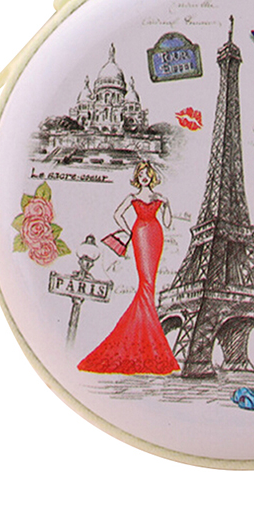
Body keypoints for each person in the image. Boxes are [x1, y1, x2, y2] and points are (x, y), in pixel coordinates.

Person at [78, 161, 179, 375]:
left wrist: (167, 205)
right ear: (137, 177)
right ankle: (146, 339)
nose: (144, 177)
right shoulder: (132, 197)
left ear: (151, 176)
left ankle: (144, 338)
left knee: (149, 285)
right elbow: (118, 214)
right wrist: (129, 231)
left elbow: (168, 223)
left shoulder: (158, 197)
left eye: (146, 174)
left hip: (155, 233)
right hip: (140, 234)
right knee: (146, 284)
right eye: (140, 174)